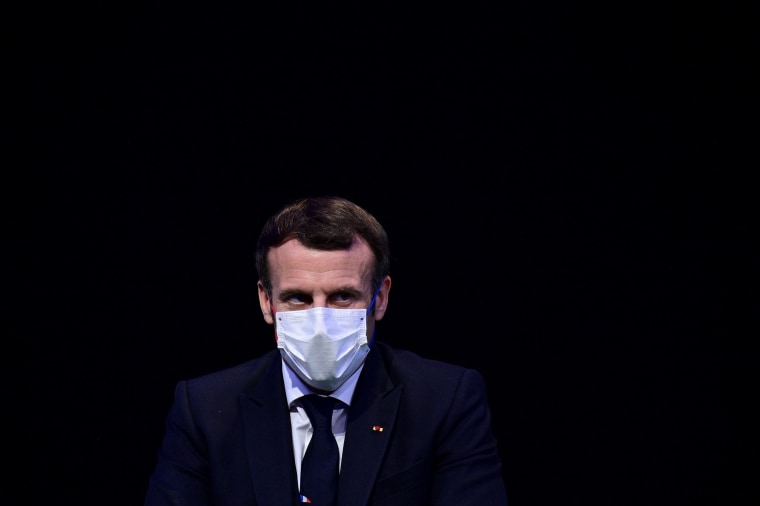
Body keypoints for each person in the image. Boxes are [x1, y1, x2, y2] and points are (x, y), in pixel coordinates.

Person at [143, 195, 508, 506]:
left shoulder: (444, 400)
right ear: (266, 302)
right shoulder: (205, 409)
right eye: (298, 298)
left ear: (379, 298)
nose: (320, 322)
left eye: (342, 296)